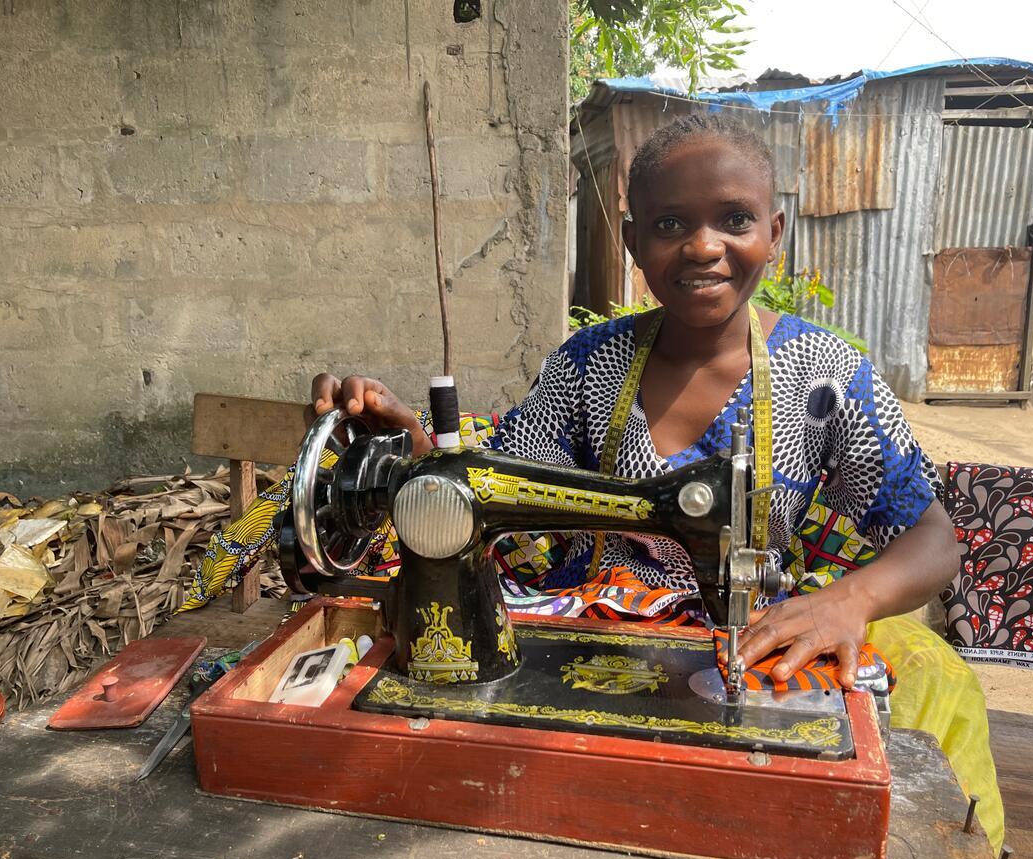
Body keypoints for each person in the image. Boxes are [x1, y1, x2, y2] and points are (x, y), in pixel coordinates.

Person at [309, 113, 960, 690]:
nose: (704, 246)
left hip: (750, 640)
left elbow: (932, 540)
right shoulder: (586, 364)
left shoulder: (828, 376)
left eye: (735, 219)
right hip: (583, 633)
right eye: (670, 223)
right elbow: (485, 486)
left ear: (775, 231)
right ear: (632, 241)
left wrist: (848, 601)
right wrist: (410, 456)